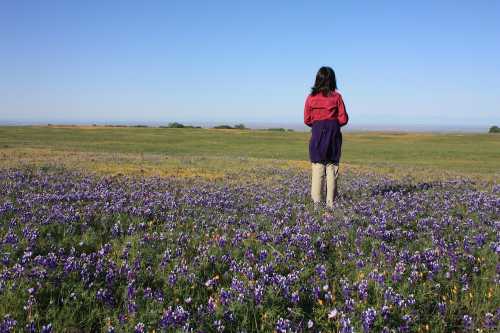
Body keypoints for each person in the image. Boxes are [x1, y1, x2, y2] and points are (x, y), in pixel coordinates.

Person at [304, 66, 349, 210]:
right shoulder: (337, 97)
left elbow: (307, 119)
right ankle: (331, 204)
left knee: (317, 167)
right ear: (332, 80)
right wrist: (332, 123)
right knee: (331, 167)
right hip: (333, 134)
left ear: (317, 79)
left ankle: (316, 205)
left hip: (317, 133)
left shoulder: (310, 98)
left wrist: (318, 124)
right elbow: (343, 119)